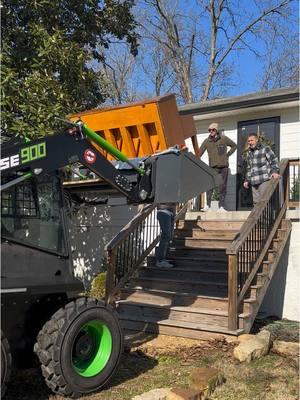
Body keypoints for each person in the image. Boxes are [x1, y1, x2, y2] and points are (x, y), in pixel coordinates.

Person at [199, 122, 237, 211]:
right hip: (213, 167)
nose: (211, 131)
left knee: (223, 187)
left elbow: (234, 146)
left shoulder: (223, 139)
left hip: (224, 167)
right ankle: (207, 206)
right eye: (209, 130)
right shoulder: (206, 141)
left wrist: (227, 154)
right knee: (210, 186)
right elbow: (199, 153)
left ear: (216, 130)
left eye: (213, 130)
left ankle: (221, 207)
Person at [243, 133, 280, 204]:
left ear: (256, 140)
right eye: (248, 141)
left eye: (252, 140)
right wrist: (247, 180)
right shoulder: (249, 153)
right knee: (256, 203)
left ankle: (267, 216)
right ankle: (258, 216)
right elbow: (249, 167)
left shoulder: (265, 148)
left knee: (264, 201)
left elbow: (274, 160)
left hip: (264, 179)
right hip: (254, 181)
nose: (250, 142)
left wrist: (274, 171)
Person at [155, 203, 176, 268]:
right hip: (163, 211)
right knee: (166, 235)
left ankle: (162, 259)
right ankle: (160, 261)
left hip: (171, 212)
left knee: (168, 237)